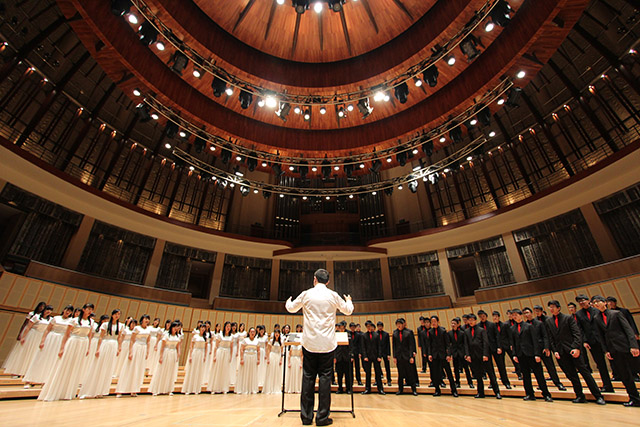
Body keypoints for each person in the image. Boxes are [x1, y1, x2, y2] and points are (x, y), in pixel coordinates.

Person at [286, 268, 354, 427]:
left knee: (308, 379)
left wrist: (288, 301)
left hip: (309, 344)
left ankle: (306, 417)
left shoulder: (306, 294)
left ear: (314, 279)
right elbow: (348, 311)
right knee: (325, 380)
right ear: (328, 282)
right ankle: (322, 418)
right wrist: (349, 300)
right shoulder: (333, 295)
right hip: (327, 345)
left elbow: (291, 308)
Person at [545, 300, 605, 405]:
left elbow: (577, 334)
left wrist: (576, 348)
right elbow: (551, 338)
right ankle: (579, 396)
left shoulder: (568, 318)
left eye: (553, 307)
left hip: (573, 350)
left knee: (585, 373)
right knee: (572, 375)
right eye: (550, 307)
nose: (551, 309)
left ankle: (598, 396)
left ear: (559, 308)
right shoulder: (549, 321)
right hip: (561, 351)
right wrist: (555, 351)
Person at [38, 303, 95, 401]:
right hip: (73, 342)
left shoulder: (91, 322)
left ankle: (68, 392)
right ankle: (55, 391)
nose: (90, 311)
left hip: (83, 343)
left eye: (91, 309)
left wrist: (88, 348)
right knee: (65, 365)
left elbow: (89, 336)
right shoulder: (74, 320)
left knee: (76, 367)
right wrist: (62, 348)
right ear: (83, 309)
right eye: (88, 309)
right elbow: (67, 334)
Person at [591, 295, 640, 407]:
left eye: (598, 301)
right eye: (594, 303)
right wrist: (606, 350)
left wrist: (634, 346)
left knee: (637, 368)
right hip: (613, 349)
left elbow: (628, 329)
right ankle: (634, 398)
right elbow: (601, 336)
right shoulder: (597, 318)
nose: (596, 304)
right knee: (625, 375)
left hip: (626, 347)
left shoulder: (616, 314)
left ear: (605, 302)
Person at [23, 305, 74, 386]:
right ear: (63, 310)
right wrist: (43, 341)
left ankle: (45, 381)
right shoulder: (56, 318)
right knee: (41, 358)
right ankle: (30, 380)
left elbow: (69, 333)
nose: (68, 312)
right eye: (67, 310)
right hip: (51, 338)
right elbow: (47, 330)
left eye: (70, 311)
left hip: (61, 340)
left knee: (53, 360)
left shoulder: (71, 321)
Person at [78, 309, 123, 398]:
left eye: (119, 314)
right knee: (99, 366)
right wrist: (98, 349)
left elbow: (119, 338)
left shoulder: (120, 326)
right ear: (112, 315)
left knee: (108, 368)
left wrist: (119, 348)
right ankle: (91, 390)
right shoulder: (105, 325)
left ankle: (101, 391)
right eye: (115, 314)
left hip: (113, 345)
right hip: (105, 345)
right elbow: (101, 337)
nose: (117, 316)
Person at [510, 309, 553, 402]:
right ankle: (529, 394)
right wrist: (514, 354)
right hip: (521, 355)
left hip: (531, 354)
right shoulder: (512, 328)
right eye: (513, 315)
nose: (514, 317)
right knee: (525, 376)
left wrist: (537, 354)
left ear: (521, 315)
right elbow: (513, 343)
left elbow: (535, 341)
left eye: (516, 315)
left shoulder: (529, 326)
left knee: (539, 375)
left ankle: (546, 394)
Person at [575, 294, 614, 392]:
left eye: (583, 300)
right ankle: (607, 385)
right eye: (579, 301)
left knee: (614, 361)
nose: (581, 303)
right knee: (600, 364)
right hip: (592, 342)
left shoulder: (597, 310)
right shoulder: (578, 314)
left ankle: (618, 377)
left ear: (588, 301)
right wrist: (584, 341)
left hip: (604, 340)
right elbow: (580, 329)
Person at [523, 307, 565, 391]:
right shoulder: (525, 325)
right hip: (534, 350)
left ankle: (558, 383)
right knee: (538, 369)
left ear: (531, 313)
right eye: (524, 313)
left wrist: (546, 347)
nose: (526, 315)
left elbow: (545, 336)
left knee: (550, 366)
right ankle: (542, 385)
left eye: (527, 312)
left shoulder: (539, 323)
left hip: (543, 348)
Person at [464, 313, 501, 399]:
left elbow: (485, 343)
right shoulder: (466, 331)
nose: (471, 321)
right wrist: (467, 355)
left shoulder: (481, 330)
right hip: (474, 356)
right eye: (469, 320)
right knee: (478, 375)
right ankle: (480, 392)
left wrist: (485, 354)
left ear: (475, 320)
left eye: (472, 320)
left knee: (491, 374)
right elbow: (466, 344)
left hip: (483, 355)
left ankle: (497, 392)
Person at [116, 314, 151, 397]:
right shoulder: (137, 328)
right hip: (136, 347)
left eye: (148, 319)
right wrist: (130, 352)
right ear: (142, 320)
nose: (147, 320)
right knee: (130, 367)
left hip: (143, 349)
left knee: (138, 369)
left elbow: (148, 341)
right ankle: (121, 390)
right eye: (145, 319)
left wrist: (147, 352)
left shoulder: (149, 330)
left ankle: (134, 390)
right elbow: (132, 340)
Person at [426, 315, 457, 397]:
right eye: (432, 322)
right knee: (435, 374)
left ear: (438, 322)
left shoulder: (443, 331)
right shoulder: (430, 332)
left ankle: (454, 390)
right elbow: (429, 344)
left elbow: (448, 344)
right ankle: (437, 390)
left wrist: (449, 354)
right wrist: (429, 354)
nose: (433, 323)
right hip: (435, 355)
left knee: (448, 373)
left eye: (434, 321)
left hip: (443, 355)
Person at [149, 320, 181, 396]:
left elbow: (178, 347)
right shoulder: (166, 336)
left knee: (170, 372)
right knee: (161, 370)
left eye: (177, 327)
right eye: (174, 327)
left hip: (173, 354)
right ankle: (156, 389)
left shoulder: (177, 337)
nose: (176, 328)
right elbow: (162, 347)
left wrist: (178, 354)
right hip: (166, 353)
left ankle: (168, 389)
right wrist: (161, 356)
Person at [392, 318, 418, 396]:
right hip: (399, 356)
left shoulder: (408, 332)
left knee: (410, 373)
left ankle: (414, 389)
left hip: (407, 356)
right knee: (400, 374)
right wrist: (394, 357)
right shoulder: (395, 333)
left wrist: (411, 356)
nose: (399, 326)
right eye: (397, 324)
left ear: (403, 324)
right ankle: (400, 389)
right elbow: (394, 346)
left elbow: (411, 345)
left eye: (400, 324)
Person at [360, 320, 385, 395]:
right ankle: (367, 389)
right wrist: (365, 356)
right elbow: (363, 347)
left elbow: (379, 346)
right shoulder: (364, 335)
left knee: (378, 373)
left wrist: (379, 356)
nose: (369, 328)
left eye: (370, 326)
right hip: (368, 357)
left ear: (372, 326)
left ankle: (380, 389)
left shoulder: (376, 335)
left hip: (376, 356)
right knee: (368, 374)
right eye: (367, 326)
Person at [182, 323, 207, 395]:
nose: (203, 329)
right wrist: (190, 355)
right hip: (195, 353)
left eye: (204, 328)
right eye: (202, 327)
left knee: (199, 370)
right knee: (192, 370)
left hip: (201, 353)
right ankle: (188, 388)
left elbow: (206, 348)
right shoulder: (195, 336)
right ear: (199, 328)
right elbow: (191, 346)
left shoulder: (205, 337)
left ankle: (196, 389)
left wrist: (205, 356)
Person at [448, 317, 473, 389]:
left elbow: (465, 344)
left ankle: (470, 382)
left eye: (454, 324)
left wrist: (466, 354)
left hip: (462, 353)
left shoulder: (462, 333)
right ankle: (457, 382)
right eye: (452, 323)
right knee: (456, 369)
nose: (453, 325)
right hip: (455, 353)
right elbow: (449, 345)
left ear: (458, 325)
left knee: (466, 368)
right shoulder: (449, 333)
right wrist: (449, 354)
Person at [209, 321, 233, 394]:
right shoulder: (220, 335)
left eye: (229, 326)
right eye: (227, 326)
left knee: (225, 370)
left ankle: (223, 388)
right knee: (218, 369)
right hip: (220, 352)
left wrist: (231, 356)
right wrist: (214, 356)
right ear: (224, 327)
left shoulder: (231, 336)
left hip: (227, 353)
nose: (228, 328)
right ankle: (214, 388)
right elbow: (216, 346)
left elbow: (231, 347)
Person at [236, 327, 261, 394]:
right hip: (246, 357)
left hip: (254, 357)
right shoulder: (245, 340)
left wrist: (258, 359)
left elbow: (258, 351)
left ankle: (251, 388)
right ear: (249, 333)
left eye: (254, 332)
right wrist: (241, 359)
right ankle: (244, 388)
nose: (252, 333)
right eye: (251, 332)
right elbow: (241, 350)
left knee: (252, 373)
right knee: (245, 372)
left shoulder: (257, 341)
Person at [492, 311, 513, 389]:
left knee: (514, 359)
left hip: (506, 345)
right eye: (494, 316)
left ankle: (519, 373)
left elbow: (509, 335)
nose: (495, 318)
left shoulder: (504, 325)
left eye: (496, 316)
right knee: (501, 365)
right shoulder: (492, 326)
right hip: (498, 347)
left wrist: (511, 344)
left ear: (499, 317)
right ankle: (505, 381)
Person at [263, 329, 283, 394]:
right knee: (271, 372)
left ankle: (276, 388)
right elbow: (268, 350)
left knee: (277, 372)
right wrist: (268, 359)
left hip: (278, 357)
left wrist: (281, 359)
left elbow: (282, 352)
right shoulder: (271, 341)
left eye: (278, 333)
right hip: (272, 356)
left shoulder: (281, 341)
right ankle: (270, 388)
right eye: (275, 333)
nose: (277, 334)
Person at [334, 321, 351, 394]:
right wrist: (334, 357)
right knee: (339, 374)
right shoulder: (336, 334)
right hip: (339, 357)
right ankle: (340, 388)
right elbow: (334, 346)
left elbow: (351, 345)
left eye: (342, 327)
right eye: (340, 327)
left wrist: (351, 355)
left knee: (347, 375)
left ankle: (348, 388)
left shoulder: (348, 333)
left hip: (346, 356)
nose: (341, 329)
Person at [376, 321, 392, 386]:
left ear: (382, 327)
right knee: (377, 367)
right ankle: (378, 380)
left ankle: (389, 380)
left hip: (385, 352)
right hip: (378, 353)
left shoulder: (386, 334)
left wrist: (389, 354)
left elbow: (388, 345)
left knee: (387, 367)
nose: (380, 327)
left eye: (381, 326)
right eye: (378, 326)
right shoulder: (375, 334)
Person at [348, 322, 363, 386]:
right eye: (352, 327)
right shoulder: (348, 334)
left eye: (354, 327)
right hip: (350, 353)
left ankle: (359, 380)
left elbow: (360, 344)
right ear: (350, 327)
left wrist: (360, 352)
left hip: (356, 352)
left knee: (357, 367)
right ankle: (351, 381)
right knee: (350, 368)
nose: (353, 328)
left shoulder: (358, 335)